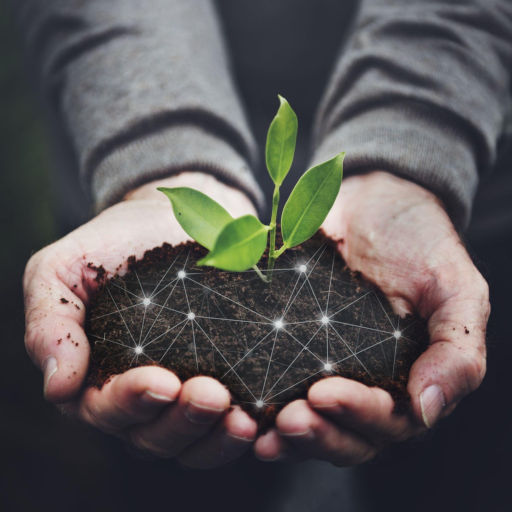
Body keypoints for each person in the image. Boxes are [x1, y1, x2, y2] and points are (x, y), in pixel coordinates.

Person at [19, 0, 510, 484]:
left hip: (469, 179)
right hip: (114, 143)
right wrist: (158, 151)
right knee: (171, 466)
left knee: (448, 471)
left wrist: (411, 150)